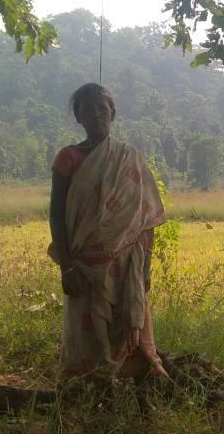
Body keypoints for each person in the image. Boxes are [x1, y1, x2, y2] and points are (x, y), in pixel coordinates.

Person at [49, 83, 167, 392]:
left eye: (102, 108)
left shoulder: (130, 158)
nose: (96, 115)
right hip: (83, 265)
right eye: (88, 109)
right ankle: (83, 394)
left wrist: (145, 269)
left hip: (126, 263)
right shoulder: (68, 158)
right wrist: (66, 267)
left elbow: (146, 218)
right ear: (78, 117)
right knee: (86, 334)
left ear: (112, 113)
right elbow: (57, 215)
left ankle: (137, 394)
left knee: (128, 325)